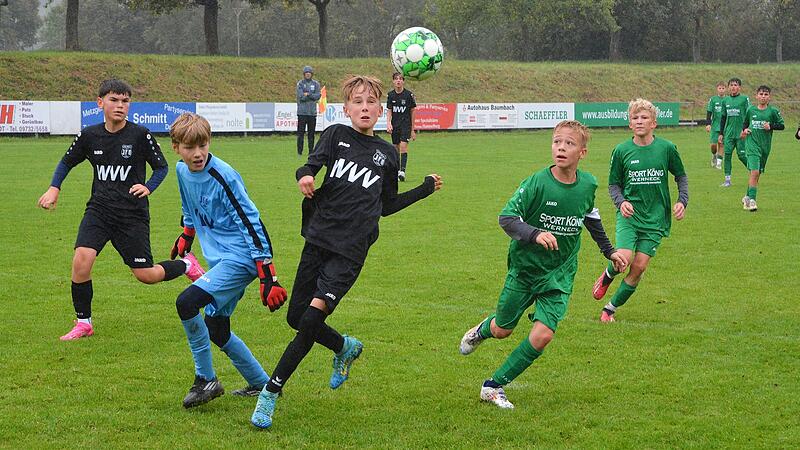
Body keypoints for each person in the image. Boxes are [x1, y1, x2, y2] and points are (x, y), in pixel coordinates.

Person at [251, 75, 443, 429]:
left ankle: (270, 392)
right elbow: (308, 167)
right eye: (358, 101)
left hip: (350, 252)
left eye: (371, 102)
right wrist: (305, 177)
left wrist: (424, 189)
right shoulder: (336, 135)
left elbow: (387, 206)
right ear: (347, 108)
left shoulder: (385, 154)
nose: (365, 107)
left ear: (381, 110)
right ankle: (344, 347)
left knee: (309, 321)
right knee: (296, 318)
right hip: (318, 239)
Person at [458, 120, 627, 409]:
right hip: (525, 270)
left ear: (582, 153)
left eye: (569, 143)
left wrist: (609, 251)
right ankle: (482, 330)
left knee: (543, 334)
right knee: (503, 330)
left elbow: (590, 216)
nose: (561, 147)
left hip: (560, 274)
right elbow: (507, 218)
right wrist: (535, 234)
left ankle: (493, 386)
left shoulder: (588, 184)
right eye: (557, 141)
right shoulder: (537, 182)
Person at [37, 79, 204, 341]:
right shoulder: (89, 135)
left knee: (146, 276)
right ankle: (84, 323)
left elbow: (161, 167)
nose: (120, 105)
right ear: (100, 102)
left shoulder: (140, 135)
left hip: (132, 216)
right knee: (81, 261)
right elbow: (67, 162)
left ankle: (186, 265)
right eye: (114, 100)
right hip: (99, 211)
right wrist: (53, 188)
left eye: (125, 101)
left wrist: (148, 187)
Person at [168, 112, 288, 408]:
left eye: (203, 145)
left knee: (186, 302)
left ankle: (205, 379)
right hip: (220, 260)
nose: (197, 154)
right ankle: (262, 383)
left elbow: (252, 223)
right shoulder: (182, 171)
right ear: (176, 147)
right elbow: (189, 204)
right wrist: (186, 234)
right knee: (217, 327)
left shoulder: (223, 175)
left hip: (243, 259)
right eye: (189, 147)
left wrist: (268, 276)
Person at [591, 99, 688, 323]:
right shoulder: (622, 150)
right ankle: (608, 275)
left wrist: (682, 201)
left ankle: (609, 309)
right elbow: (613, 184)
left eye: (644, 117)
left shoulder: (667, 149)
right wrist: (621, 202)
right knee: (623, 259)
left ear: (654, 123)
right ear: (629, 124)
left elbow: (681, 176)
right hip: (630, 216)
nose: (639, 121)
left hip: (656, 219)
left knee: (639, 267)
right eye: (635, 118)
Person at [740, 85, 784, 212]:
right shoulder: (751, 110)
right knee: (755, 172)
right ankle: (752, 201)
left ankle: (747, 197)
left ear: (769, 97)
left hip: (765, 147)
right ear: (756, 96)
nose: (763, 96)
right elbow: (745, 123)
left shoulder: (773, 111)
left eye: (765, 94)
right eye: (761, 94)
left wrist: (770, 126)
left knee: (756, 174)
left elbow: (782, 126)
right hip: (751, 144)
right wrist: (745, 130)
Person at [718, 78, 750, 187]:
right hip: (729, 133)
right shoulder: (725, 101)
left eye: (735, 85)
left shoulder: (744, 99)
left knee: (742, 156)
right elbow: (723, 118)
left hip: (741, 133)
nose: (733, 87)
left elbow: (748, 114)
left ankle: (754, 172)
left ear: (739, 87)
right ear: (728, 87)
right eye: (731, 85)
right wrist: (721, 133)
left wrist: (745, 129)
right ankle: (727, 180)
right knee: (727, 155)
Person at [386, 72, 417, 181]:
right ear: (393, 81)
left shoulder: (409, 95)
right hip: (395, 125)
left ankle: (402, 171)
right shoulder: (390, 95)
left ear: (403, 81)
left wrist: (413, 129)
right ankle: (398, 171)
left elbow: (413, 111)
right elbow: (389, 110)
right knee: (395, 149)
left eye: (400, 79)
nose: (398, 81)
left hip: (406, 125)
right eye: (396, 79)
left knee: (403, 147)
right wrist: (388, 123)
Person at [296, 65, 321, 156]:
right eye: (306, 73)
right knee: (300, 133)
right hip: (302, 113)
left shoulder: (316, 84)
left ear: (311, 74)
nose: (308, 75)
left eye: (309, 73)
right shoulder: (300, 84)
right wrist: (311, 95)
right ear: (304, 74)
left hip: (312, 113)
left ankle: (311, 152)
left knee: (311, 134)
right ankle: (299, 152)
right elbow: (301, 97)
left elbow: (318, 96)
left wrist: (308, 94)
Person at [706, 82, 726, 169]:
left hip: (725, 126)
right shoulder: (713, 99)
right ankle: (714, 155)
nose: (721, 90)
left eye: (723, 88)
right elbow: (709, 112)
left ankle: (719, 163)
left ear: (725, 89)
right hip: (715, 126)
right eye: (720, 88)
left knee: (721, 144)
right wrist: (708, 124)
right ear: (717, 89)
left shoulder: (728, 100)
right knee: (713, 145)